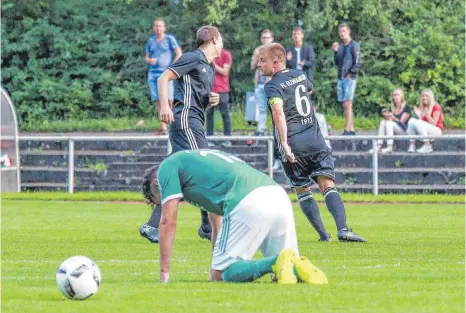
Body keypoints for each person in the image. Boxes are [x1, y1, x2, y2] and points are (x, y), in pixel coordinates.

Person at [141, 149, 328, 285]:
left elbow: (168, 221)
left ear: (157, 184)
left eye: (159, 200)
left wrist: (164, 274)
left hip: (248, 199)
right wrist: (217, 261)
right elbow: (216, 223)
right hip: (277, 195)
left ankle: (275, 261)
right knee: (287, 271)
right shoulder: (197, 165)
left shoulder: (167, 167)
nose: (165, 201)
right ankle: (301, 268)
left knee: (221, 275)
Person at [259, 43, 366, 242]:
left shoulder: (272, 85)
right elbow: (310, 89)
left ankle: (324, 235)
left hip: (293, 143)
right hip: (315, 139)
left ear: (275, 63)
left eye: (262, 60)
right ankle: (343, 229)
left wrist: (284, 143)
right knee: (327, 184)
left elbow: (278, 112)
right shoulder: (300, 74)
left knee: (302, 189)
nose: (259, 64)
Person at [139, 25, 222, 244]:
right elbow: (163, 78)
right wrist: (165, 107)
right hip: (185, 121)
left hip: (193, 121)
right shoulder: (193, 58)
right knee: (205, 170)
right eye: (220, 39)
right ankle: (207, 227)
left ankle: (153, 225)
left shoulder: (209, 67)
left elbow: (198, 100)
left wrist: (210, 100)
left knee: (181, 177)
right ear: (214, 39)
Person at [145, 18, 182, 135]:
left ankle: (174, 127)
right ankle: (163, 128)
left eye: (160, 26)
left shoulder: (169, 39)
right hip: (153, 73)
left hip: (166, 74)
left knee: (169, 100)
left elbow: (178, 53)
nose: (158, 28)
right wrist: (150, 60)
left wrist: (172, 67)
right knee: (158, 101)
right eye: (156, 26)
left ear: (164, 28)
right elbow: (147, 57)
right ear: (153, 28)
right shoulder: (151, 41)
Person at [332, 23, 362, 136]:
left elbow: (359, 62)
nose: (342, 33)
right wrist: (335, 51)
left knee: (348, 103)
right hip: (341, 77)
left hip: (350, 77)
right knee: (345, 104)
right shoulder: (340, 47)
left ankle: (348, 129)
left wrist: (351, 73)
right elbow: (337, 63)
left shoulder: (354, 45)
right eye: (340, 32)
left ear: (348, 31)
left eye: (344, 31)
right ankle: (351, 128)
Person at [371, 88, 411, 153]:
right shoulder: (392, 107)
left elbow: (401, 123)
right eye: (394, 95)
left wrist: (393, 118)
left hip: (405, 130)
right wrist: (386, 116)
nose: (396, 97)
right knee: (383, 122)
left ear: (401, 96)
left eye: (398, 95)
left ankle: (390, 147)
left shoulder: (406, 107)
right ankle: (379, 146)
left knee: (389, 123)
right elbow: (389, 120)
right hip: (394, 129)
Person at [206, 48, 232, 148]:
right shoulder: (208, 54)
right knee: (209, 115)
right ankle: (209, 138)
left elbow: (225, 71)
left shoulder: (226, 54)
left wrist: (212, 64)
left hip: (222, 89)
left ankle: (227, 139)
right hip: (210, 89)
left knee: (225, 114)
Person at [251, 29, 274, 136]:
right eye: (263, 38)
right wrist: (256, 58)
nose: (265, 40)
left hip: (271, 84)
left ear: (272, 39)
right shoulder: (257, 50)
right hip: (259, 83)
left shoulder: (275, 50)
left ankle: (277, 131)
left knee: (275, 109)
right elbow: (252, 67)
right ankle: (261, 129)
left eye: (267, 37)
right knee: (261, 109)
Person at [406, 89, 444, 153]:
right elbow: (421, 125)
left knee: (416, 122)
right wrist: (418, 115)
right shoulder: (421, 107)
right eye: (423, 96)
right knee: (411, 120)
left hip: (436, 131)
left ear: (430, 98)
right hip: (426, 132)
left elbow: (434, 124)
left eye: (426, 96)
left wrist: (427, 115)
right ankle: (412, 145)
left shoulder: (436, 107)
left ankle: (427, 146)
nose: (424, 98)